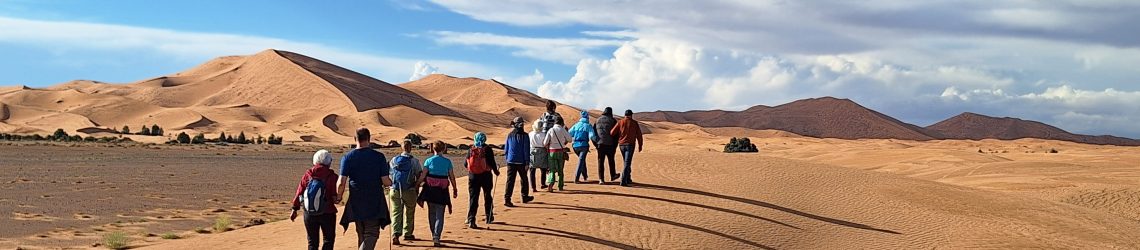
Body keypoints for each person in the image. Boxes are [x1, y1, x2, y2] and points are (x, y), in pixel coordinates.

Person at [336, 128, 393, 250]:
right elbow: (385, 181)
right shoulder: (379, 157)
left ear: (355, 139)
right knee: (371, 233)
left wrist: (339, 197)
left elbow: (341, 182)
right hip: (374, 201)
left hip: (356, 201)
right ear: (369, 138)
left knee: (361, 234)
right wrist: (391, 182)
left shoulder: (347, 157)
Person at [291, 150, 339, 250]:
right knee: (328, 241)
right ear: (329, 162)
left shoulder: (308, 175)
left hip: (309, 213)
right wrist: (337, 199)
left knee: (312, 242)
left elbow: (299, 192)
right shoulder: (333, 176)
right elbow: (335, 197)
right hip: (328, 213)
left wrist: (294, 209)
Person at [417, 141, 458, 247]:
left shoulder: (428, 161)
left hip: (430, 191)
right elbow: (452, 176)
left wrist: (417, 185)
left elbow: (423, 176)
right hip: (442, 191)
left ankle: (433, 234)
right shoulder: (447, 162)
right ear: (443, 149)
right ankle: (437, 236)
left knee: (431, 213)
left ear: (433, 149)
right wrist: (454, 188)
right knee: (440, 215)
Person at [387, 140, 422, 245]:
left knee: (396, 212)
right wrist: (416, 186)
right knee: (410, 211)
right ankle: (408, 233)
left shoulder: (394, 160)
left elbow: (390, 173)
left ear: (402, 148)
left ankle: (396, 234)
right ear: (411, 148)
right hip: (409, 189)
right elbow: (419, 174)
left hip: (395, 189)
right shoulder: (414, 161)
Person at [464, 132, 500, 229]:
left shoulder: (471, 149)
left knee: (473, 198)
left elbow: (465, 164)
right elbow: (492, 162)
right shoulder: (487, 149)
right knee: (487, 195)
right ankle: (488, 216)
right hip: (486, 176)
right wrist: (496, 171)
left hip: (473, 177)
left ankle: (471, 219)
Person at [503, 117, 535, 207]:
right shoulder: (525, 136)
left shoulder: (510, 135)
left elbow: (506, 149)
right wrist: (527, 162)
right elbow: (526, 149)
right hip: (521, 162)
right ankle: (524, 196)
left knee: (510, 181)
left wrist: (507, 158)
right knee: (524, 179)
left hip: (511, 161)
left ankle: (507, 199)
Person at [610, 110, 644, 187]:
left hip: (621, 145)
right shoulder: (634, 123)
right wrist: (640, 145)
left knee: (626, 162)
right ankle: (623, 180)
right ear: (631, 115)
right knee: (627, 162)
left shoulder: (620, 122)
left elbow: (612, 133)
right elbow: (639, 135)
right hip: (630, 145)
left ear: (625, 115)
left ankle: (628, 178)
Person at [544, 116, 573, 192]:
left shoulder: (551, 130)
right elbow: (570, 139)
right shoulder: (562, 130)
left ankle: (551, 184)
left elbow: (545, 142)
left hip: (552, 152)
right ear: (561, 122)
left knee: (552, 170)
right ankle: (560, 186)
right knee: (560, 170)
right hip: (561, 151)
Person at [592, 107, 620, 184]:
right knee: (611, 160)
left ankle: (601, 179)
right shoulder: (613, 120)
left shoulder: (597, 120)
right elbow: (616, 134)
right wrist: (615, 145)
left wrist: (596, 143)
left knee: (600, 161)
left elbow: (593, 134)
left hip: (600, 144)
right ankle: (613, 175)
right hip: (610, 144)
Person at [568, 111, 597, 184]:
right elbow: (592, 136)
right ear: (587, 117)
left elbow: (569, 133)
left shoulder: (576, 125)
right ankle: (577, 178)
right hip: (584, 146)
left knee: (582, 160)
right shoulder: (588, 125)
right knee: (581, 161)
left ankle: (585, 176)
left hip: (575, 146)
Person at [528, 119, 549, 192]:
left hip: (532, 151)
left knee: (532, 170)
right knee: (543, 169)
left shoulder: (530, 134)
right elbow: (546, 143)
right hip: (542, 151)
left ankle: (533, 187)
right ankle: (543, 184)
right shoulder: (544, 134)